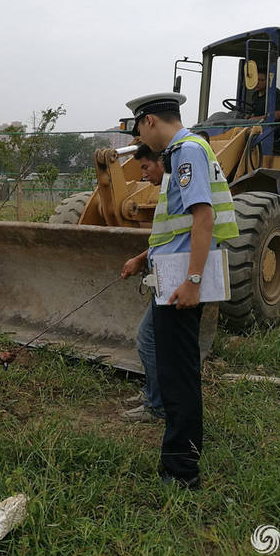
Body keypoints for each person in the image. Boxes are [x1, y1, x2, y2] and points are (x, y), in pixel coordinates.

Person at [121, 92, 238, 489]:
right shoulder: (181, 154)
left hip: (179, 282)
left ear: (150, 121)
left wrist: (191, 281)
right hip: (171, 275)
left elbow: (203, 220)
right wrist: (143, 257)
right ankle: (177, 464)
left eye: (139, 125)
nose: (140, 134)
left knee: (178, 377)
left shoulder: (186, 153)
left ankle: (182, 473)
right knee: (175, 373)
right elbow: (179, 228)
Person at [121, 144, 166, 424]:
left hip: (175, 278)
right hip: (166, 272)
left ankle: (157, 405)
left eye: (146, 168)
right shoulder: (168, 189)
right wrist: (141, 258)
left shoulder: (177, 189)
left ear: (161, 161)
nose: (145, 175)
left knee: (148, 340)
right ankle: (153, 393)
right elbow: (165, 237)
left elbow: (179, 237)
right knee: (153, 340)